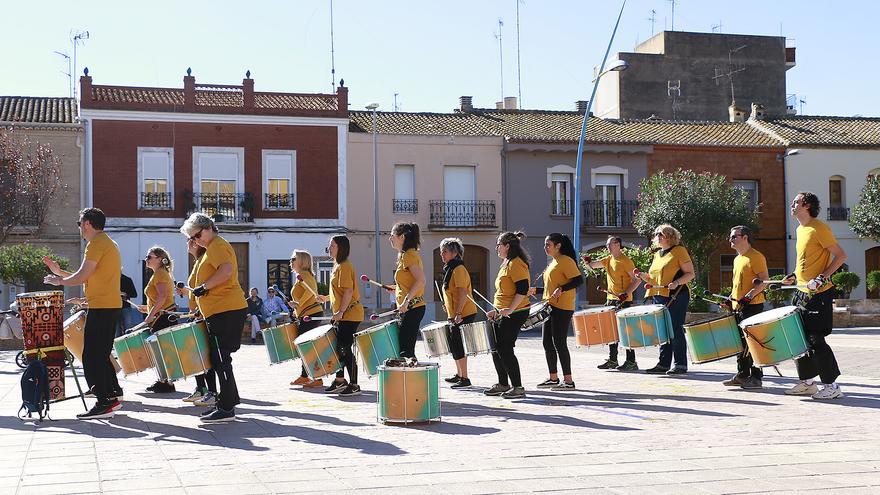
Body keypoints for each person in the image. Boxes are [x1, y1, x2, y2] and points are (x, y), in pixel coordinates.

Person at [43, 207, 123, 420]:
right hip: (105, 306)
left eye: (80, 224)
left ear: (87, 224)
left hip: (103, 307)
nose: (79, 228)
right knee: (99, 354)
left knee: (91, 356)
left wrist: (60, 281)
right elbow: (87, 277)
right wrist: (60, 273)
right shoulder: (106, 243)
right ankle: (113, 395)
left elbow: (81, 276)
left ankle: (105, 401)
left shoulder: (96, 244)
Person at [180, 212, 248, 423]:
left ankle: (227, 408)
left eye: (197, 235)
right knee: (219, 359)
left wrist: (203, 287)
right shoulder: (210, 249)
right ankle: (226, 403)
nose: (195, 241)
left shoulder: (218, 245)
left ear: (208, 228)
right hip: (219, 311)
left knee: (221, 359)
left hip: (226, 310)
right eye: (191, 238)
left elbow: (226, 271)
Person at [783, 191, 847, 400]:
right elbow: (805, 261)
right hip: (801, 292)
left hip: (818, 294)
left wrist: (821, 278)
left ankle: (831, 385)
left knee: (815, 339)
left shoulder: (819, 228)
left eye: (796, 202)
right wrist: (794, 276)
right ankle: (807, 382)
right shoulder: (801, 229)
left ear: (807, 204)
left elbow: (841, 256)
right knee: (798, 339)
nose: (792, 204)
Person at [634, 224, 695, 375]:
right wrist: (642, 275)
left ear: (670, 236)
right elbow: (653, 278)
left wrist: (677, 283)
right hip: (658, 295)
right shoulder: (657, 254)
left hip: (676, 295)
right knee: (662, 331)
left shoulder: (679, 251)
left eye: (661, 234)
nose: (658, 237)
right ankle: (663, 363)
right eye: (656, 234)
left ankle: (680, 364)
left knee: (675, 329)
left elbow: (690, 273)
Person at [484, 231, 531, 399]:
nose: (496, 247)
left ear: (507, 246)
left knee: (505, 348)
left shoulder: (516, 264)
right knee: (497, 349)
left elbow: (522, 289)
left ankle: (518, 387)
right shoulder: (506, 263)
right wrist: (496, 311)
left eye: (499, 244)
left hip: (516, 312)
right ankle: (503, 383)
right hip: (502, 312)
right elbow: (504, 292)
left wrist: (509, 310)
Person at [534, 233, 583, 390]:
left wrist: (562, 289)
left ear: (558, 246)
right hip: (550, 306)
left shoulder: (566, 261)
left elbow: (578, 280)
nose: (545, 247)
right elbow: (551, 288)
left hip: (562, 308)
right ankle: (553, 378)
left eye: (548, 244)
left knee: (559, 343)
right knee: (547, 342)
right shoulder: (554, 262)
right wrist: (536, 290)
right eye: (545, 244)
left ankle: (568, 381)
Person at [722, 226, 769, 390]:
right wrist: (730, 299)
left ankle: (756, 378)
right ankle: (742, 374)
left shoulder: (756, 257)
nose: (731, 240)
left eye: (734, 236)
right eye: (730, 237)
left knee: (753, 343)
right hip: (738, 306)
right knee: (739, 343)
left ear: (745, 237)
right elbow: (737, 285)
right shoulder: (737, 259)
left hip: (753, 306)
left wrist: (748, 296)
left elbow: (763, 281)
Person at [316, 235, 364, 397]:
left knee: (344, 348)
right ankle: (339, 381)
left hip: (350, 314)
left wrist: (340, 312)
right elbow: (341, 292)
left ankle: (354, 384)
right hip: (343, 314)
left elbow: (349, 291)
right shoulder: (338, 266)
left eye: (332, 246)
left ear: (341, 248)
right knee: (339, 348)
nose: (329, 248)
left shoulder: (344, 266)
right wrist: (326, 298)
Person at [590, 236, 641, 371]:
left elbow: (637, 280)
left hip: (623, 300)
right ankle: (613, 360)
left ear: (618, 244)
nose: (607, 247)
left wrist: (626, 292)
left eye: (610, 244)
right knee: (611, 331)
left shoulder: (626, 261)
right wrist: (588, 261)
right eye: (607, 245)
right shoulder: (608, 259)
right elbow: (594, 265)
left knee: (625, 332)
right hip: (610, 299)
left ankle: (631, 361)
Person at [178, 237, 218, 405]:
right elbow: (197, 290)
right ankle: (201, 388)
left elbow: (205, 288)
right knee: (198, 354)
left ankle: (212, 392)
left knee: (205, 356)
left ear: (195, 244)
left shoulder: (204, 260)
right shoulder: (198, 262)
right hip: (197, 313)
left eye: (188, 241)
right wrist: (187, 293)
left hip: (204, 314)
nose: (187, 243)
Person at [438, 238, 478, 389]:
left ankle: (465, 377)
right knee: (454, 344)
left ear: (455, 253)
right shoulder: (450, 268)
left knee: (459, 344)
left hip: (463, 313)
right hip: (455, 313)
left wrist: (459, 312)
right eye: (442, 251)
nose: (442, 254)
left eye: (445, 251)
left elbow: (463, 291)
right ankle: (459, 374)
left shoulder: (459, 269)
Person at [140, 246, 178, 393]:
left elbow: (162, 297)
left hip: (163, 317)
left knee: (162, 350)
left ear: (159, 259)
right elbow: (159, 298)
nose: (146, 259)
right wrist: (146, 308)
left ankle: (166, 383)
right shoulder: (158, 273)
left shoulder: (161, 274)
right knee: (160, 350)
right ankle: (164, 381)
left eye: (149, 257)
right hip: (161, 315)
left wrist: (150, 315)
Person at [388, 222, 426, 358]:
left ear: (402, 237)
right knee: (406, 350)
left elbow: (421, 280)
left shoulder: (409, 255)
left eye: (392, 235)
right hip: (411, 307)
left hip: (412, 307)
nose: (390, 238)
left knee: (406, 351)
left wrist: (406, 300)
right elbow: (411, 282)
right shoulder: (407, 255)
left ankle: (411, 379)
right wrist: (397, 289)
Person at [289, 249, 325, 388]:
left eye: (293, 259)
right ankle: (305, 376)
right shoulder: (302, 275)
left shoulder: (304, 275)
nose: (291, 261)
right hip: (308, 314)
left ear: (301, 261)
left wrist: (298, 305)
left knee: (307, 346)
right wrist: (296, 309)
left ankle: (318, 377)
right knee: (305, 346)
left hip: (311, 315)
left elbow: (311, 293)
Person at [118, 272, 140, 337]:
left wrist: (125, 294)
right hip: (114, 307)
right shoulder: (111, 280)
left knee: (128, 329)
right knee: (116, 330)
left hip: (125, 307)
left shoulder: (127, 279)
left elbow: (134, 294)